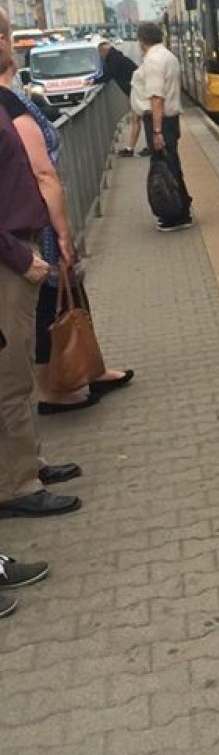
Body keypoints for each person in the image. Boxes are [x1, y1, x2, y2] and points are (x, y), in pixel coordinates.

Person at [0, 12, 132, 413]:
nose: (5, 39)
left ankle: (86, 369)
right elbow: (42, 172)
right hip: (35, 222)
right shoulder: (8, 100)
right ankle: (56, 386)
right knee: (50, 302)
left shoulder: (15, 93)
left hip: (29, 218)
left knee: (64, 295)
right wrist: (61, 231)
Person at [0, 84, 80, 523]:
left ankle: (29, 464)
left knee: (21, 369)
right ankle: (17, 485)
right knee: (9, 377)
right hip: (8, 261)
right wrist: (19, 257)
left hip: (16, 254)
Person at [137, 21, 193, 229]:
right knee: (172, 166)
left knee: (164, 168)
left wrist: (156, 131)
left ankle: (174, 214)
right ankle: (182, 207)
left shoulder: (152, 60)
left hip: (160, 121)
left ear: (142, 40)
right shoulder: (169, 56)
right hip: (171, 119)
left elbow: (156, 97)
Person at [94, 37, 150, 157]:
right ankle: (133, 148)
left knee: (139, 118)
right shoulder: (117, 56)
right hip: (135, 91)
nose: (100, 56)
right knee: (138, 119)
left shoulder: (112, 59)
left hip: (136, 92)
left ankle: (136, 148)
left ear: (103, 51)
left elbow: (108, 75)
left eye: (100, 53)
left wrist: (94, 81)